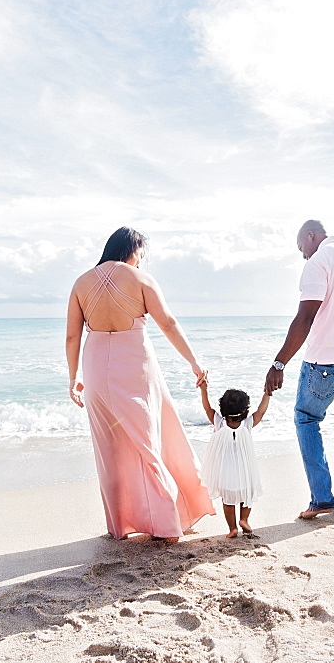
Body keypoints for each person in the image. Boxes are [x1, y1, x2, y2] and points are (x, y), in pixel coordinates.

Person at [66, 226, 214, 542]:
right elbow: (168, 324)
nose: (141, 260)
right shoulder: (141, 280)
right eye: (142, 254)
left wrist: (73, 376)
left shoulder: (81, 283)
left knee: (110, 450)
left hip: (94, 368)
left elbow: (71, 336)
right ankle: (165, 524)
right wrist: (194, 361)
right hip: (135, 367)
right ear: (133, 249)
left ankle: (120, 525)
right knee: (149, 441)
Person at [265, 220, 334, 520]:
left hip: (328, 360)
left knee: (306, 418)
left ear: (311, 236)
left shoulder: (320, 260)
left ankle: (322, 498)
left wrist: (279, 363)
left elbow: (304, 318)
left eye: (301, 247)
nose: (302, 254)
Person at [198, 383, 269, 538]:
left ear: (223, 410)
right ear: (245, 410)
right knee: (246, 496)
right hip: (245, 470)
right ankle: (244, 520)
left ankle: (233, 528)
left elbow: (207, 408)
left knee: (228, 501)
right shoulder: (247, 424)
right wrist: (267, 394)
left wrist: (204, 390)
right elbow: (261, 412)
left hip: (226, 472)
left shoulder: (219, 423)